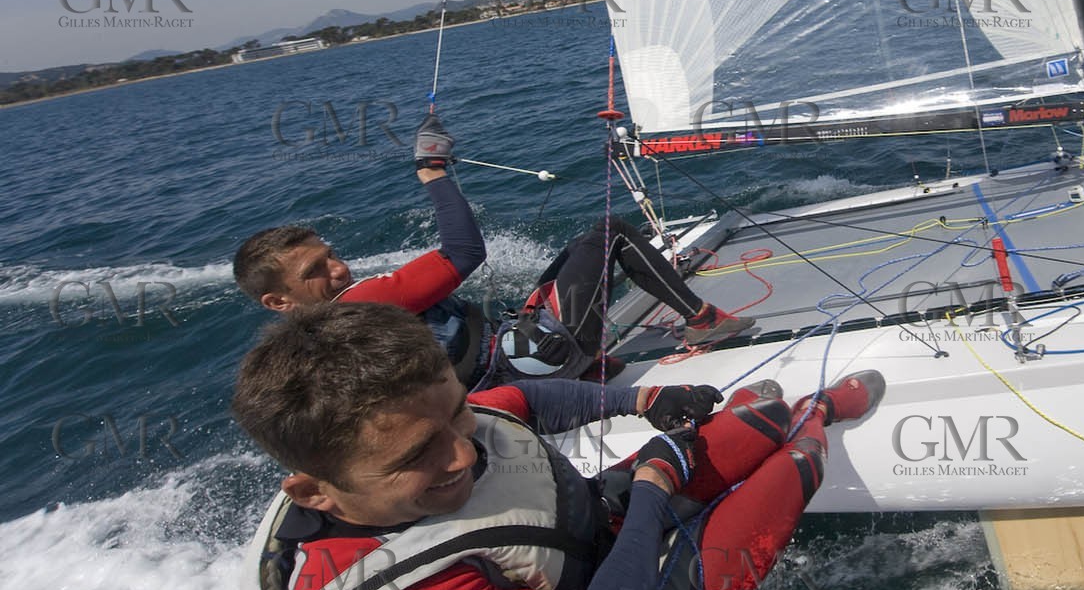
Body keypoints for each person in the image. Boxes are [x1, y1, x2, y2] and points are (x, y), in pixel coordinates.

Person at [232, 302, 885, 590]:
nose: (465, 455)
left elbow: (523, 404)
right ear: (315, 492)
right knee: (795, 465)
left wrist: (644, 400)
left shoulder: (433, 422)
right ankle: (822, 411)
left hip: (578, 539)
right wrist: (654, 496)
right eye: (419, 456)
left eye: (459, 412)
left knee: (761, 419)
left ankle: (782, 413)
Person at [233, 112, 753, 386]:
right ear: (278, 301)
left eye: (330, 254)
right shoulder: (361, 308)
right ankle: (704, 319)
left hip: (501, 377)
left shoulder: (309, 350)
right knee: (611, 231)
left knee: (579, 250)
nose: (339, 268)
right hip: (538, 368)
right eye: (315, 271)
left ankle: (591, 364)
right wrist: (433, 174)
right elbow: (463, 251)